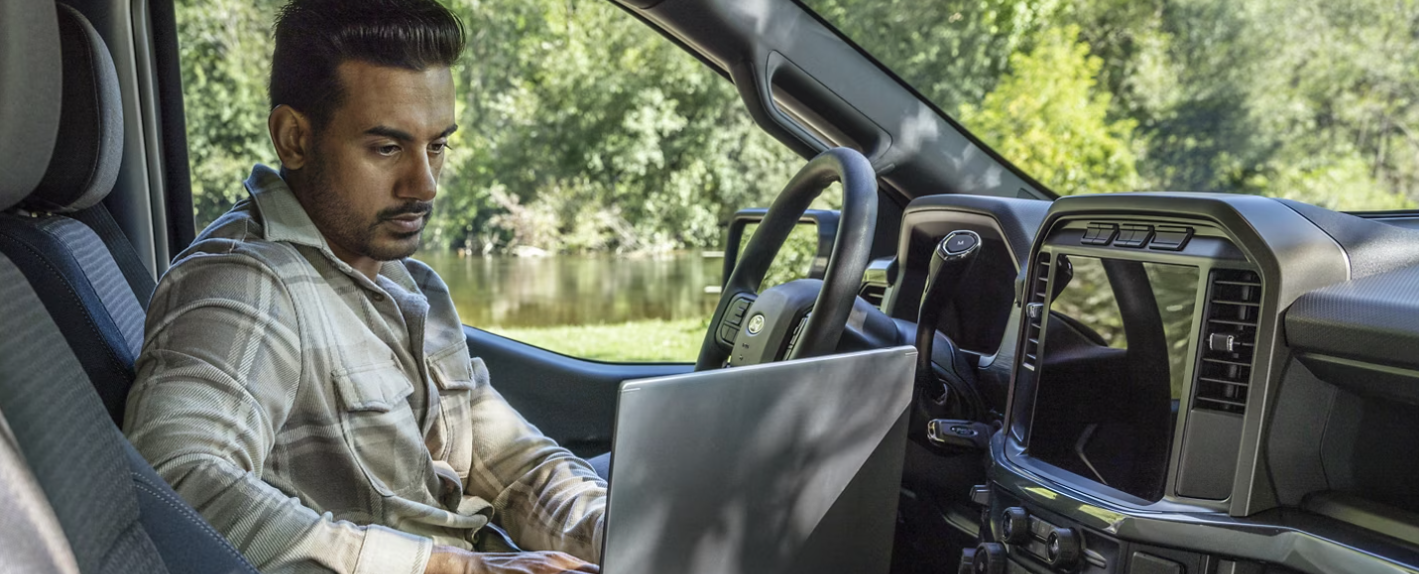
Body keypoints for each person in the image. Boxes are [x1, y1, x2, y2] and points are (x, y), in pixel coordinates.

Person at [122, 1, 605, 572]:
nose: (423, 184)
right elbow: (172, 483)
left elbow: (510, 461)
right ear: (294, 139)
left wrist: (615, 529)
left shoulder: (401, 276)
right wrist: (451, 569)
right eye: (387, 147)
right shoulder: (247, 283)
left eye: (438, 145)